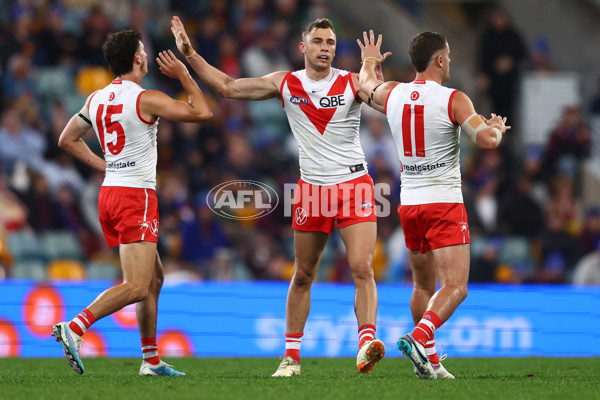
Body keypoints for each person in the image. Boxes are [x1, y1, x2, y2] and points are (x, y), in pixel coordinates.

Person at [170, 16, 385, 376]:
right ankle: (291, 358)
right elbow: (226, 86)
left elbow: (377, 94)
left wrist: (369, 65)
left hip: (354, 186)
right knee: (303, 273)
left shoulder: (351, 82)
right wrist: (190, 53)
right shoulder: (286, 83)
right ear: (303, 47)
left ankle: (365, 344)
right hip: (312, 190)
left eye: (330, 42)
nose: (325, 48)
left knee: (362, 267)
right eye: (318, 41)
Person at [51, 29, 212, 376]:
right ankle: (75, 327)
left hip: (109, 193)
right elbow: (202, 113)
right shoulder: (145, 99)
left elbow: (67, 138)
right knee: (137, 285)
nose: (146, 53)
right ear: (137, 58)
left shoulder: (95, 99)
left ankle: (151, 361)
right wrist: (184, 73)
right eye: (144, 49)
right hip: (135, 195)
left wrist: (103, 164)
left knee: (153, 279)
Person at [358, 30, 510, 379]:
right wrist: (497, 127)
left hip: (409, 205)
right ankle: (419, 336)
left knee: (422, 287)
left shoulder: (392, 93)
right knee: (456, 287)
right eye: (449, 55)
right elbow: (486, 140)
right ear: (439, 59)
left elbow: (366, 86)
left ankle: (430, 364)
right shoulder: (454, 98)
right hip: (443, 202)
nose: (451, 60)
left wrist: (369, 60)